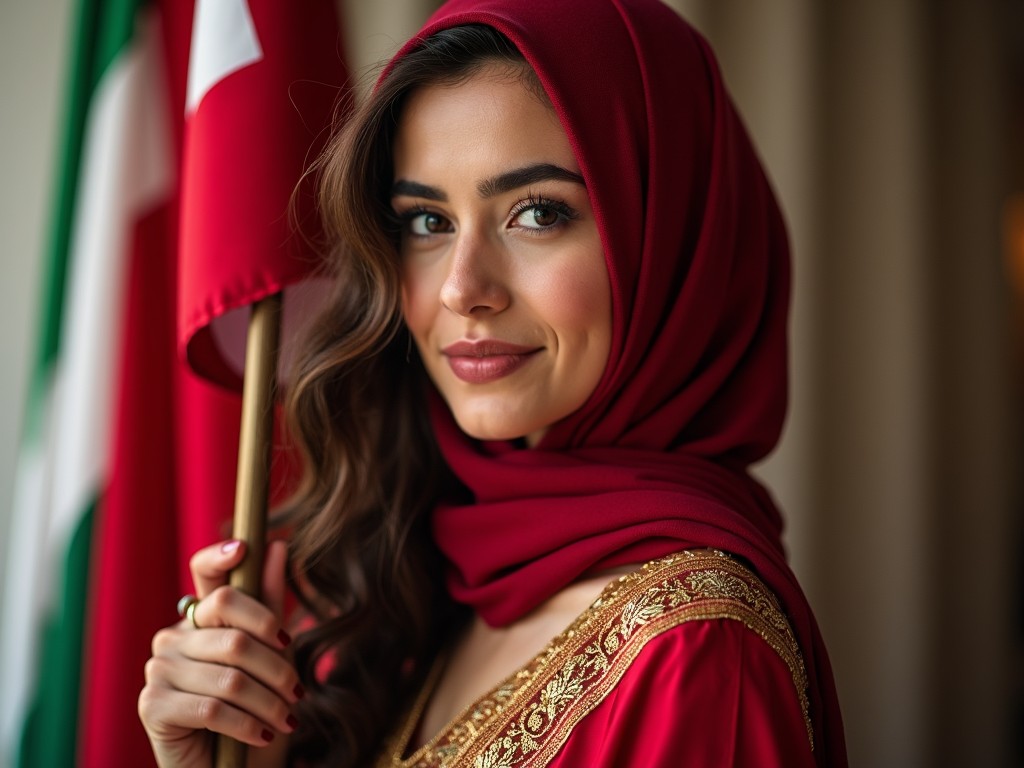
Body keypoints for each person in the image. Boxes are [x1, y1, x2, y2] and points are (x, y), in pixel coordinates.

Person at [139, 0, 847, 766]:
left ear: (674, 239)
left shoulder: (700, 650)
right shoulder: (413, 573)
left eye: (537, 213)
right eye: (426, 222)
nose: (461, 289)